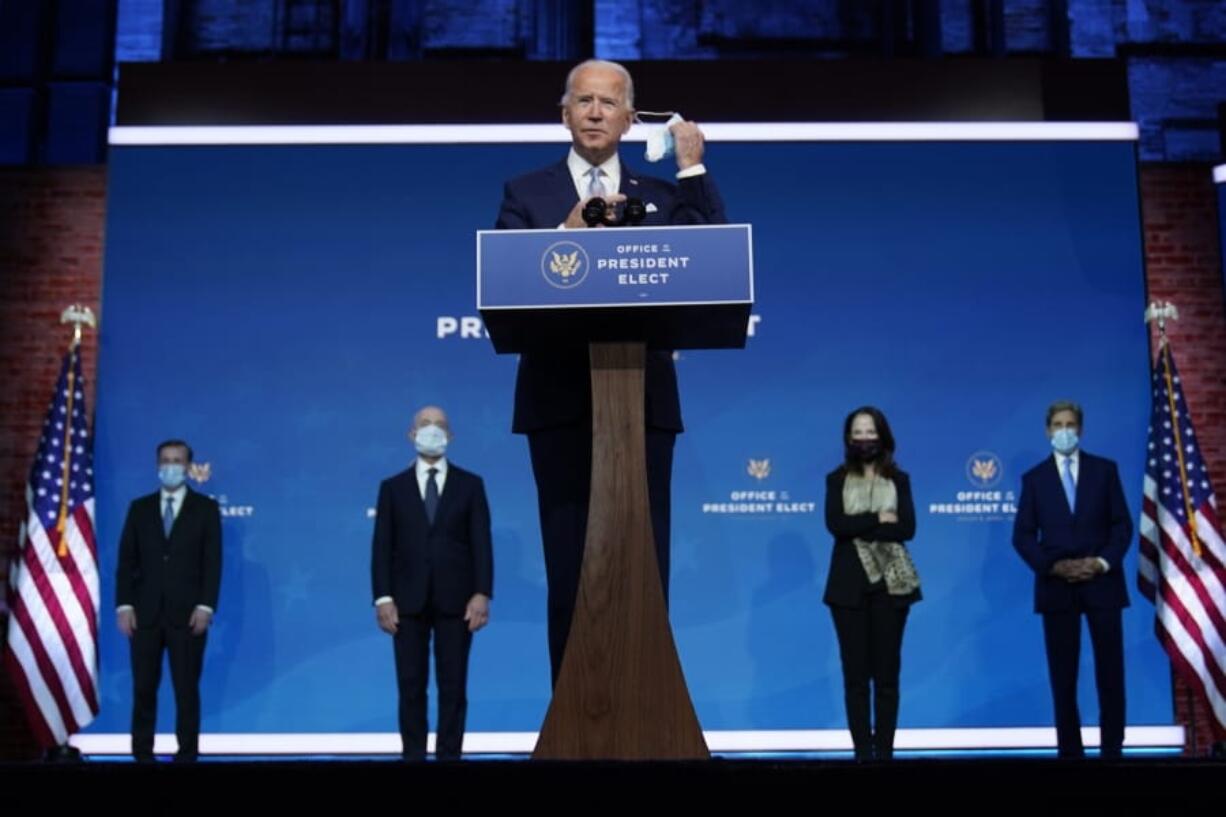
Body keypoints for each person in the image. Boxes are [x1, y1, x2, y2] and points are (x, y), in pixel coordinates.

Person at [494, 59, 726, 685]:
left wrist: (693, 166)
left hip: (642, 401)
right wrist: (562, 238)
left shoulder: (662, 194)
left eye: (609, 103)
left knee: (644, 567)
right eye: (584, 101)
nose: (596, 112)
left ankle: (647, 714)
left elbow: (711, 257)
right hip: (559, 403)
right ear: (564, 112)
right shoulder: (527, 193)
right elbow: (505, 285)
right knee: (572, 568)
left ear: (630, 119)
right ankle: (573, 722)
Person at [371, 406, 493, 761]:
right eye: (425, 425)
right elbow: (382, 548)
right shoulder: (392, 488)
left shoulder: (471, 485)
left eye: (440, 425)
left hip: (458, 602)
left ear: (451, 436)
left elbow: (481, 544)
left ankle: (449, 759)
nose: (432, 431)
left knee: (453, 687)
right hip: (406, 603)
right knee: (411, 687)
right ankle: (413, 758)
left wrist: (482, 592)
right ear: (411, 435)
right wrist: (382, 598)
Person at [1013, 400, 1131, 759]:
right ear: (1048, 430)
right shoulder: (1034, 479)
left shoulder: (1104, 471)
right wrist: (1054, 568)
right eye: (1058, 424)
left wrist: (1100, 563)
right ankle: (1070, 754)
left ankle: (1112, 750)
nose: (1064, 430)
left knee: (1110, 672)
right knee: (1063, 677)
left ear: (1080, 429)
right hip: (1057, 587)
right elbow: (1022, 536)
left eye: (1071, 424)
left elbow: (1122, 525)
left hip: (1102, 584)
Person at [823, 407, 920, 761]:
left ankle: (886, 755)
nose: (865, 439)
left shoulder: (900, 480)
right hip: (847, 590)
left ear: (883, 436)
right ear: (848, 438)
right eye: (858, 432)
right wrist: (879, 517)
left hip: (892, 588)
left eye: (871, 432)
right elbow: (837, 525)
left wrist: (859, 523)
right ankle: (863, 755)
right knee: (856, 678)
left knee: (887, 677)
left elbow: (906, 528)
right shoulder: (836, 479)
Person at [115, 439, 221, 762]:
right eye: (165, 460)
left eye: (177, 460)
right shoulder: (140, 508)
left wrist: (205, 606)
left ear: (188, 467)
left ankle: (187, 755)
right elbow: (126, 561)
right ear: (157, 465)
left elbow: (212, 563)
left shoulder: (205, 509)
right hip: (145, 615)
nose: (170, 466)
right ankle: (142, 754)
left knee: (186, 690)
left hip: (187, 615)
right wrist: (125, 606)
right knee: (144, 689)